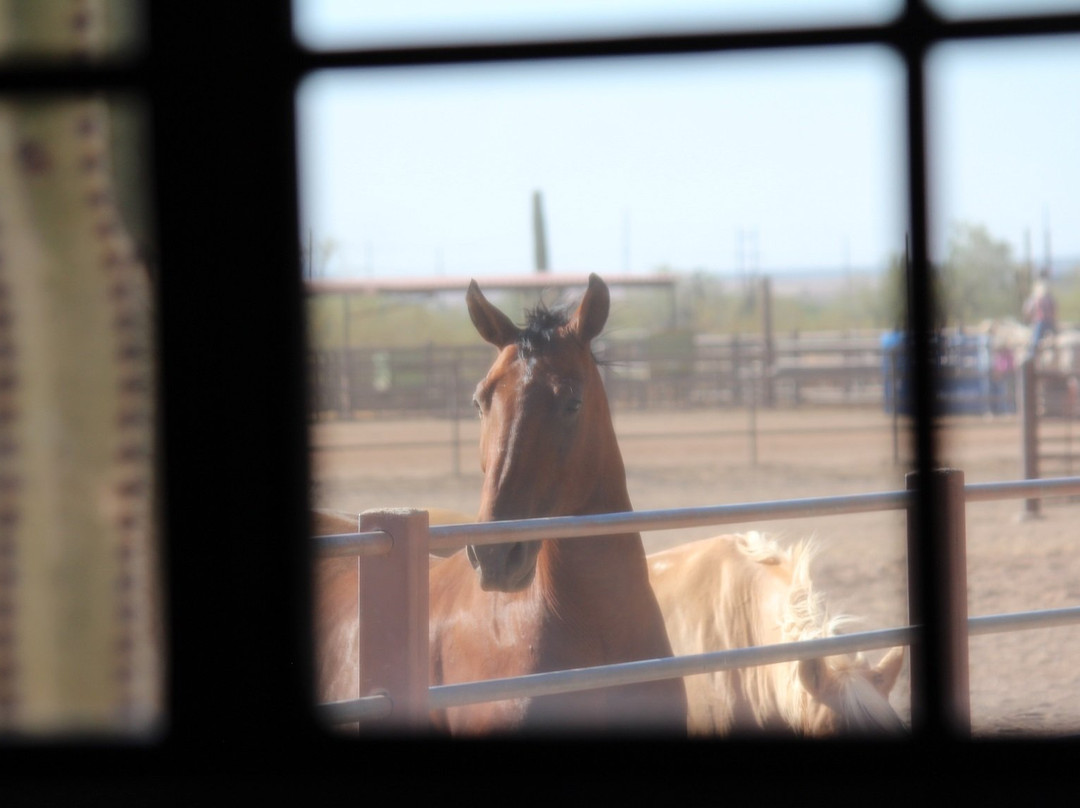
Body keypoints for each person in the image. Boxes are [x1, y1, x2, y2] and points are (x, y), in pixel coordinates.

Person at [1022, 274, 1057, 359]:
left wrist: (1030, 317)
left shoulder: (1036, 298)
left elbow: (1027, 310)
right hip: (1050, 322)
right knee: (1055, 337)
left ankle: (1031, 355)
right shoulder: (1050, 298)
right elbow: (1055, 310)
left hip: (1040, 322)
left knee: (1035, 340)